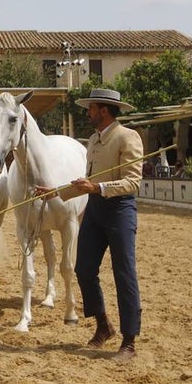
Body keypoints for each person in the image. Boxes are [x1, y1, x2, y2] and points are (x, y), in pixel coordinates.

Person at [35, 88, 144, 362]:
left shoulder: (128, 137)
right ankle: (104, 325)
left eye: (91, 108)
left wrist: (97, 186)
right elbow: (86, 182)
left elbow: (133, 182)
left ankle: (129, 341)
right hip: (95, 209)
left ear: (104, 110)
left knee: (124, 274)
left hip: (120, 210)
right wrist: (56, 192)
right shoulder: (94, 141)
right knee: (83, 269)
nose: (88, 113)